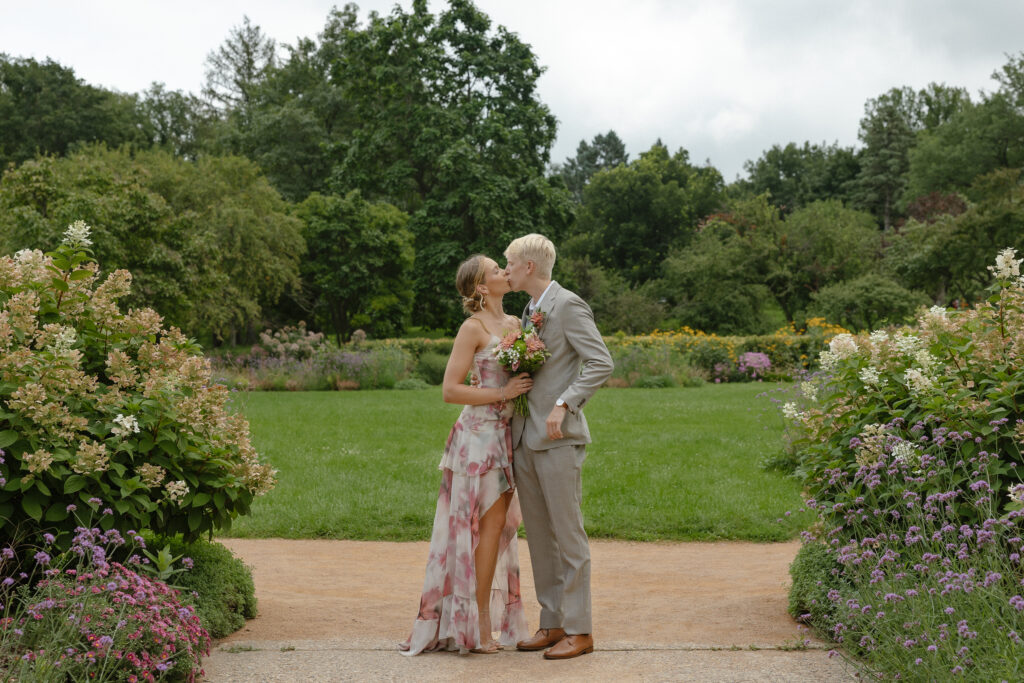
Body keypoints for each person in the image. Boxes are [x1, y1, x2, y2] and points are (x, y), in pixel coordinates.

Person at [400, 254, 532, 655]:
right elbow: (450, 390)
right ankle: (478, 626)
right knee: (481, 530)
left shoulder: (514, 324)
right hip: (477, 440)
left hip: (507, 437)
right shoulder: (471, 329)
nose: (503, 273)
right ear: (480, 287)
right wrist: (502, 393)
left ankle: (481, 621)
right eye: (495, 270)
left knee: (498, 531)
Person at [504, 234, 614, 660]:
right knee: (541, 537)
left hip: (558, 438)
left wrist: (565, 403)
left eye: (509, 263)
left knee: (568, 536)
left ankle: (581, 631)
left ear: (528, 266)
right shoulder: (531, 310)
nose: (506, 269)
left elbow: (601, 361)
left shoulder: (567, 304)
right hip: (525, 440)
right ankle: (551, 623)